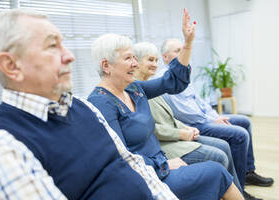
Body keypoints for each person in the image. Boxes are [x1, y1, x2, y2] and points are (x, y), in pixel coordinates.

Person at [0, 9, 181, 200]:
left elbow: (132, 164)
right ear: (11, 66)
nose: (69, 56)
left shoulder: (84, 108)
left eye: (63, 45)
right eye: (52, 46)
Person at [88, 9, 243, 200]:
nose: (135, 64)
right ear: (106, 66)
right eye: (128, 58)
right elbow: (118, 158)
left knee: (216, 172)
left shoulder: (134, 88)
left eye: (135, 58)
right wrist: (163, 165)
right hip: (144, 179)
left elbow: (172, 82)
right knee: (217, 171)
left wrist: (187, 43)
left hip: (161, 165)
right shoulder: (100, 103)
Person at [159, 38, 274, 200]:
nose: (182, 53)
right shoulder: (165, 79)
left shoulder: (183, 75)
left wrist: (215, 116)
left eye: (183, 49)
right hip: (195, 124)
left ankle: (248, 172)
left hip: (205, 118)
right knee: (239, 135)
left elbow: (199, 101)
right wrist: (211, 120)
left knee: (244, 121)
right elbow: (186, 113)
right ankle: (239, 188)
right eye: (177, 51)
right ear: (165, 57)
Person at [133, 41, 242, 192]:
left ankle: (239, 191)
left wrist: (186, 128)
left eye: (156, 60)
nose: (155, 64)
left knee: (224, 145)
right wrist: (181, 133)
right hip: (163, 144)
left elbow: (169, 116)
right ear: (135, 62)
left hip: (179, 133)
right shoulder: (136, 90)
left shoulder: (149, 85)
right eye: (150, 60)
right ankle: (229, 193)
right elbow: (149, 128)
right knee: (220, 155)